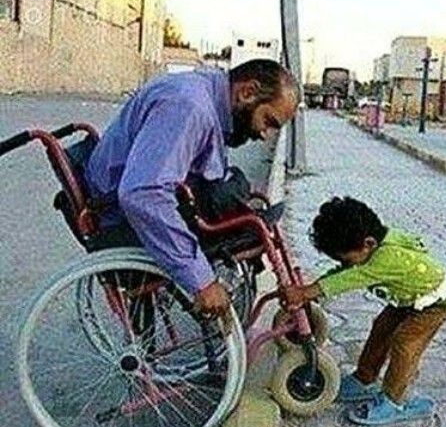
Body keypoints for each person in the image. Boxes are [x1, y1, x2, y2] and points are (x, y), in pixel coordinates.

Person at [83, 59, 299, 323]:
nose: (265, 135)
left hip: (132, 194)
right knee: (245, 217)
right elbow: (144, 194)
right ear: (247, 92)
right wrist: (202, 280)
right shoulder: (189, 106)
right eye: (268, 121)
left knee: (239, 198)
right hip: (120, 218)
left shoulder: (203, 94)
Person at [279, 196, 446, 427]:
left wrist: (307, 292)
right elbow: (344, 273)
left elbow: (352, 278)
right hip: (406, 300)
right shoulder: (373, 246)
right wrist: (308, 291)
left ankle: (394, 401)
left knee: (405, 345)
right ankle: (364, 379)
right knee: (381, 328)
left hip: (433, 304)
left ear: (369, 244)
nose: (347, 264)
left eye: (347, 259)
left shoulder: (387, 259)